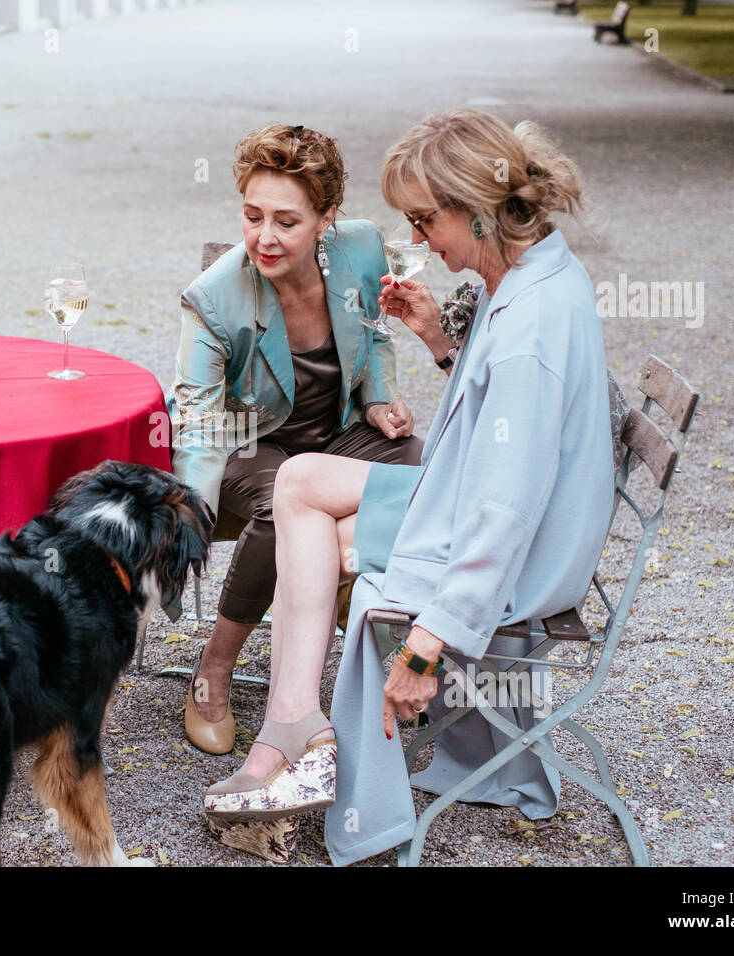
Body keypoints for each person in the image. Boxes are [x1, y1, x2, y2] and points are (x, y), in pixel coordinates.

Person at [201, 108, 615, 866]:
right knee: (298, 479)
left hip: (513, 544)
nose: (420, 240)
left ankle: (287, 739)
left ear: (480, 209)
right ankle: (295, 721)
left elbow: (509, 505)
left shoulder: (529, 325)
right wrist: (436, 340)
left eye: (426, 220)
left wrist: (427, 646)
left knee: (313, 524)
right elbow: (508, 428)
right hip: (466, 496)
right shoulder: (529, 273)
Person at [166, 123, 424, 756]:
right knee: (279, 505)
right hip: (252, 445)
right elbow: (197, 423)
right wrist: (186, 525)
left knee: (421, 472)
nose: (264, 237)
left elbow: (378, 333)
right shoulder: (213, 297)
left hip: (341, 435)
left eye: (287, 220)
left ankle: (381, 635)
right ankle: (215, 669)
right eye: (252, 216)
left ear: (327, 219)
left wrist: (379, 399)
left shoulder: (363, 249)